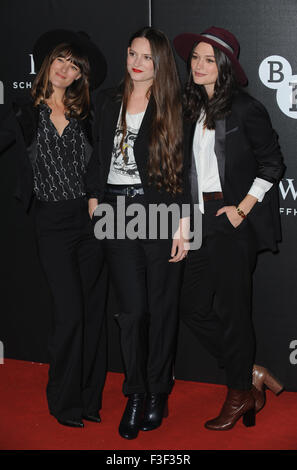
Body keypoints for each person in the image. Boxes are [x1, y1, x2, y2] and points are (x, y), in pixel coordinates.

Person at [173, 26, 284, 430]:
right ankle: (249, 373)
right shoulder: (190, 110)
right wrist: (184, 223)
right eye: (195, 58)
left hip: (231, 220)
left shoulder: (245, 109)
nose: (199, 65)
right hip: (200, 219)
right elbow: (188, 175)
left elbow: (272, 163)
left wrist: (242, 209)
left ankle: (238, 395)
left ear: (223, 66)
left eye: (208, 59)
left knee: (234, 312)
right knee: (190, 305)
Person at [0, 30, 108, 428]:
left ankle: (89, 398)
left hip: (92, 220)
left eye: (74, 65)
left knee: (95, 313)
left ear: (81, 75)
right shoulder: (23, 112)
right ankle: (63, 401)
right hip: (51, 224)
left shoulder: (89, 114)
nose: (66, 69)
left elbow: (100, 167)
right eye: (61, 60)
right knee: (69, 315)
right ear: (48, 64)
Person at [86, 26, 190, 439]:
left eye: (147, 56)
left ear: (160, 62)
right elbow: (97, 155)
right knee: (132, 313)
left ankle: (158, 392)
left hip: (162, 211)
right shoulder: (107, 99)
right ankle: (135, 392)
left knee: (163, 310)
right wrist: (94, 199)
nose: (137, 62)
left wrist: (185, 224)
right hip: (117, 210)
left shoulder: (176, 105)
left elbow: (186, 171)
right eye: (133, 53)